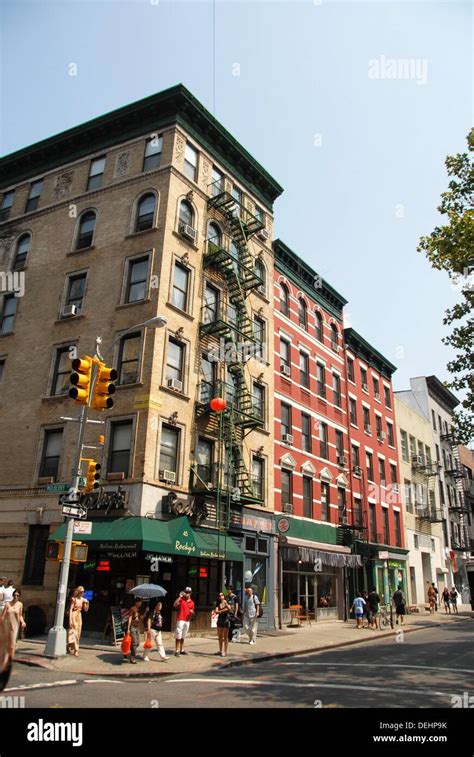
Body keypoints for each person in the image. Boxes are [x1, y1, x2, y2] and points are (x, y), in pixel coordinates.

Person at [67, 586, 89, 657]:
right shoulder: (74, 599)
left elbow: (85, 610)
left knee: (78, 633)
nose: (83, 593)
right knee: (73, 632)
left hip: (79, 616)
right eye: (81, 591)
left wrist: (87, 603)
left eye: (83, 591)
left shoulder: (83, 600)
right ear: (78, 592)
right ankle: (76, 650)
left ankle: (68, 646)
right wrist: (70, 620)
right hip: (74, 615)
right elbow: (71, 609)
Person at [173, 587, 195, 657]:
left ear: (191, 593)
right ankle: (177, 650)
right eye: (186, 592)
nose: (187, 593)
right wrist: (180, 597)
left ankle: (181, 649)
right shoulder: (181, 599)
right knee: (178, 635)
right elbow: (175, 605)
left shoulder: (192, 602)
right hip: (181, 619)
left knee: (183, 635)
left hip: (187, 620)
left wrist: (192, 612)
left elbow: (193, 612)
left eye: (188, 592)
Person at [125, 598, 145, 664]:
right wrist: (128, 629)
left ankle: (127, 651)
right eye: (139, 602)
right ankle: (132, 658)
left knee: (138, 643)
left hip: (137, 628)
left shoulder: (140, 609)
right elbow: (130, 618)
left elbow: (141, 618)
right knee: (134, 643)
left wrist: (146, 612)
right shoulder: (132, 608)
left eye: (141, 602)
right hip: (132, 627)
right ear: (136, 602)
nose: (140, 603)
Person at [8, 590, 26, 656]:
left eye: (17, 595)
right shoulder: (8, 604)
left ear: (19, 596)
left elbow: (20, 615)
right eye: (14, 595)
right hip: (8, 624)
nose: (16, 596)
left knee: (13, 642)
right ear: (12, 595)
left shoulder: (20, 604)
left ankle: (11, 656)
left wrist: (23, 622)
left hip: (15, 625)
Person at [214, 592, 231, 657]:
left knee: (225, 637)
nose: (220, 596)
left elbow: (229, 609)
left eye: (222, 595)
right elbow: (216, 611)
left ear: (224, 596)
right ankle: (220, 650)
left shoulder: (227, 602)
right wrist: (223, 610)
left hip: (226, 620)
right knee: (220, 636)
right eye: (219, 595)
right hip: (220, 620)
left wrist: (221, 610)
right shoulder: (218, 603)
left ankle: (225, 652)